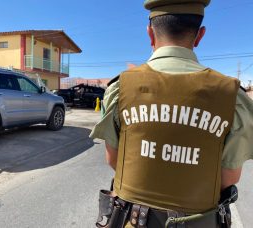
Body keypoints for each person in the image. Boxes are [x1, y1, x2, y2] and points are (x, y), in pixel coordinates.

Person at [91, 0, 253, 227]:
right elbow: (229, 178)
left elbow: (114, 159)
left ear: (150, 34)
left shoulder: (120, 89)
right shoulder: (233, 97)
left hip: (134, 220)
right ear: (199, 36)